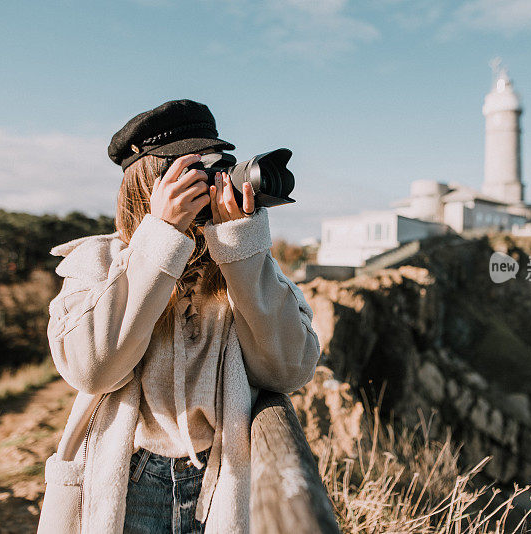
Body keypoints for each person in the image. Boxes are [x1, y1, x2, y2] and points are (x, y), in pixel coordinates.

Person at [36, 99, 321, 534]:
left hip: (220, 475)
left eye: (217, 164)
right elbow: (91, 371)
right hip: (129, 475)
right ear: (151, 181)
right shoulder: (96, 262)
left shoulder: (238, 263)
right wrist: (161, 239)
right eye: (195, 168)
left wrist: (241, 251)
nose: (211, 181)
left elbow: (289, 370)